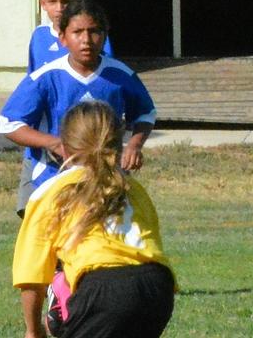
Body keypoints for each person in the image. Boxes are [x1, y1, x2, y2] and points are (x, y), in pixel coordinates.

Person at [12, 100, 174, 338]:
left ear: (64, 148)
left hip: (103, 289)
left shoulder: (51, 192)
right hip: (157, 286)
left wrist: (33, 331)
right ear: (119, 146)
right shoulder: (132, 188)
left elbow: (31, 276)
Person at [0, 0, 155, 218]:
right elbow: (9, 123)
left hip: (106, 181)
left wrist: (134, 145)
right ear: (63, 38)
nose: (86, 40)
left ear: (105, 35)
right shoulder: (46, 78)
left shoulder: (121, 75)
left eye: (94, 31)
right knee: (54, 248)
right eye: (77, 32)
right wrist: (53, 143)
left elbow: (145, 113)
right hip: (53, 179)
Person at [27, 0, 111, 74]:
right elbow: (32, 75)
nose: (59, 8)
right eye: (53, 2)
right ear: (43, 3)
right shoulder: (39, 35)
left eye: (65, 1)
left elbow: (108, 71)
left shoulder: (94, 34)